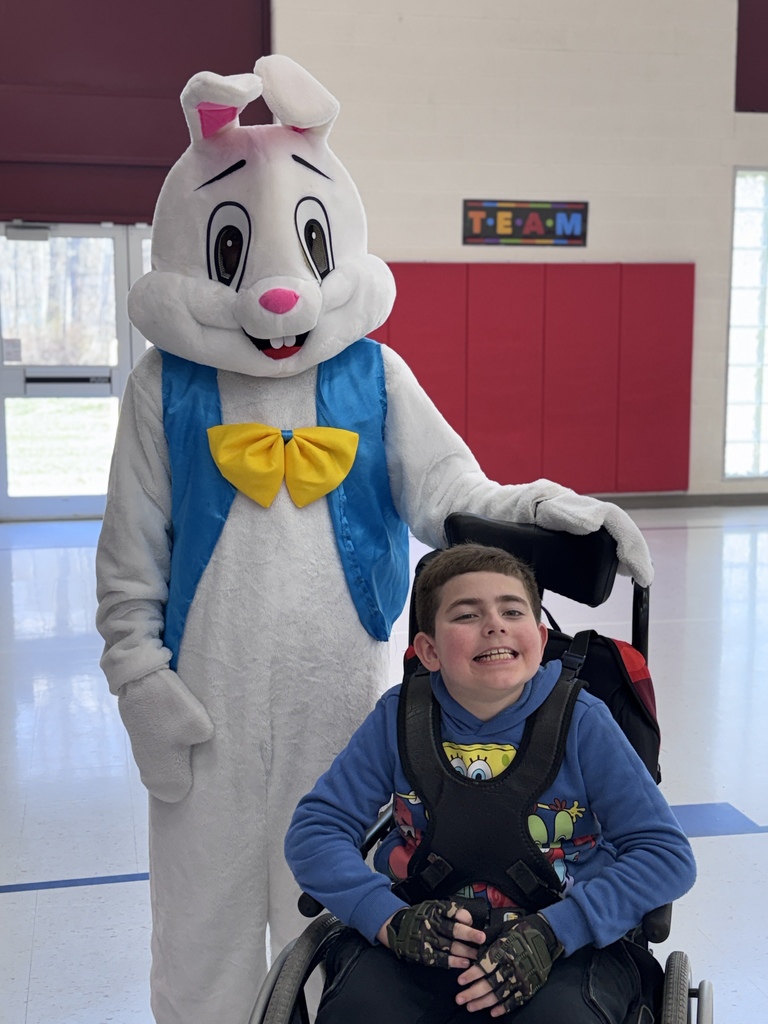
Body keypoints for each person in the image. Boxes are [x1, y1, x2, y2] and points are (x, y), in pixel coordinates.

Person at [285, 544, 696, 1022]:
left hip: (562, 944)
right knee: (358, 1011)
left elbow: (665, 854)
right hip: (422, 935)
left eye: (512, 610)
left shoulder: (584, 722)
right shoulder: (398, 718)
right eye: (466, 614)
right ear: (429, 650)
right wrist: (385, 918)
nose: (495, 624)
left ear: (540, 640)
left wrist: (560, 928)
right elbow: (315, 831)